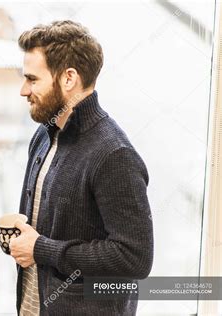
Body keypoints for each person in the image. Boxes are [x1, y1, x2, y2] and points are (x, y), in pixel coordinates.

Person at [9, 20, 154, 315]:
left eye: (33, 79)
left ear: (69, 78)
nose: (24, 90)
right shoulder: (43, 135)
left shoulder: (114, 154)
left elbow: (134, 258)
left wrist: (40, 249)